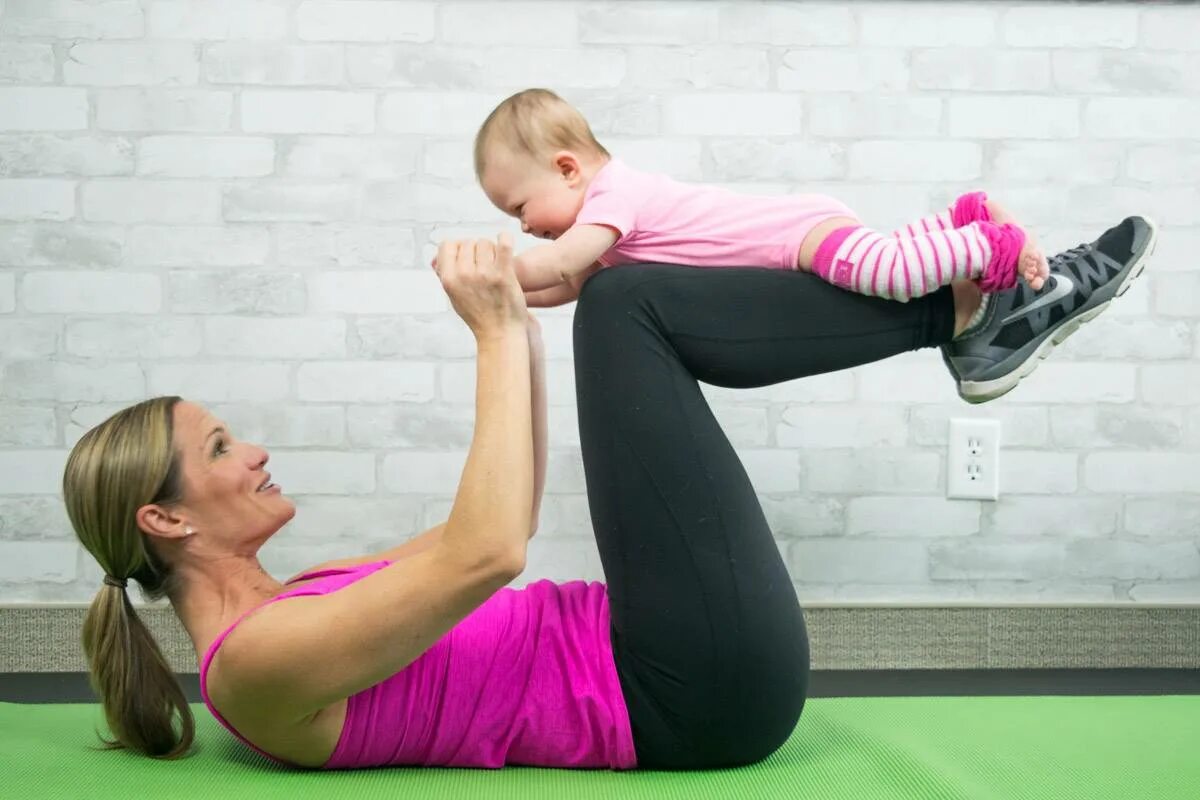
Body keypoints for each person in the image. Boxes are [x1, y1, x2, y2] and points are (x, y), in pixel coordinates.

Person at [63, 213, 1151, 769]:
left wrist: (522, 325)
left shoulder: (302, 601)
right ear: (166, 518)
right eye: (218, 450)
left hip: (669, 652)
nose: (254, 451)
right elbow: (494, 550)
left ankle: (965, 315)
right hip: (686, 689)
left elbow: (482, 515)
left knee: (618, 305)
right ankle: (964, 313)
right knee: (629, 306)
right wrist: (498, 325)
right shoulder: (252, 669)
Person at [468, 89, 1051, 342]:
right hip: (799, 233)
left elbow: (560, 262)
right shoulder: (607, 236)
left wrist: (496, 273)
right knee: (892, 256)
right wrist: (505, 300)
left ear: (568, 168)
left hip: (797, 236)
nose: (523, 226)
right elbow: (568, 284)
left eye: (520, 207)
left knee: (889, 278)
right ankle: (958, 223)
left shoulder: (614, 196)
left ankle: (989, 245)